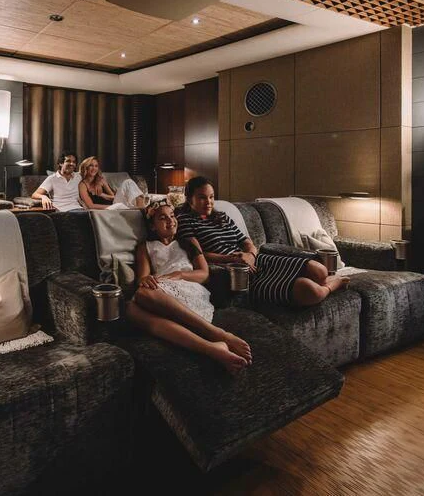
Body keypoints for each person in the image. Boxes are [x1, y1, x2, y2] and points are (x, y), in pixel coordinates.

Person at [176, 176, 349, 307]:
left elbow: (247, 241)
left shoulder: (222, 217)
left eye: (212, 197)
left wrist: (250, 254)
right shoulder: (185, 220)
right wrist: (233, 259)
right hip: (236, 270)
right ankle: (335, 284)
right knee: (311, 291)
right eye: (202, 198)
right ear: (189, 199)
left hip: (255, 259)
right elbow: (198, 254)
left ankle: (325, 281)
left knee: (319, 270)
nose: (209, 202)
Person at [125, 199, 253, 374]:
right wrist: (145, 280)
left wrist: (180, 275)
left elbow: (204, 273)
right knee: (130, 309)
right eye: (163, 218)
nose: (171, 220)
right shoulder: (145, 247)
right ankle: (212, 348)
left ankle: (217, 333)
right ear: (153, 226)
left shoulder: (189, 241)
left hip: (188, 287)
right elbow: (143, 277)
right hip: (162, 290)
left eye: (172, 216)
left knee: (139, 299)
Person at [78, 155, 147, 210]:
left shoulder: (101, 180)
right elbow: (90, 205)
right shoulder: (83, 185)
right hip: (109, 207)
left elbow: (113, 197)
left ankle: (142, 210)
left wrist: (102, 195)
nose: (94, 168)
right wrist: (110, 207)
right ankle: (141, 211)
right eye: (91, 166)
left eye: (96, 166)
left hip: (115, 203)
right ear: (86, 167)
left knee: (128, 182)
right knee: (128, 185)